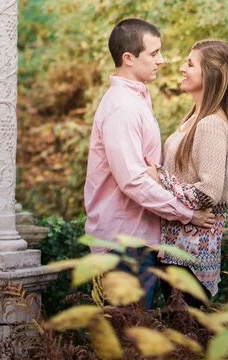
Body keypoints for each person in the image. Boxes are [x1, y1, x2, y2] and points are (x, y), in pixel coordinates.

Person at [84, 18, 212, 306]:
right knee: (128, 341)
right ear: (128, 58)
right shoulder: (122, 108)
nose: (162, 60)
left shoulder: (137, 100)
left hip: (138, 243)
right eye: (154, 54)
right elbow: (133, 180)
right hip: (124, 246)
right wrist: (186, 213)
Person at [147, 39, 228, 301]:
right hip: (176, 251)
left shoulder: (211, 124)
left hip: (192, 259)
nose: (181, 68)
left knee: (187, 335)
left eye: (190, 64)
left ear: (212, 73)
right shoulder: (192, 119)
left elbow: (208, 192)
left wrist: (160, 178)